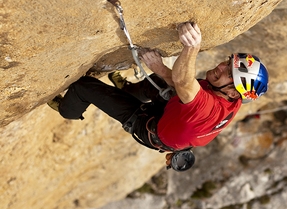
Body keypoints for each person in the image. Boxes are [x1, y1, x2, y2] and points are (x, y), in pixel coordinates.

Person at [47, 22, 269, 171]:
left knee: (83, 86)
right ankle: (126, 89)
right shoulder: (233, 96)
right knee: (164, 82)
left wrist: (191, 47)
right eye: (227, 63)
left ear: (231, 91)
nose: (221, 67)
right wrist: (160, 68)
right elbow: (184, 86)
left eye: (229, 73)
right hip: (175, 119)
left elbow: (183, 82)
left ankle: (68, 110)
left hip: (150, 128)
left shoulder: (208, 108)